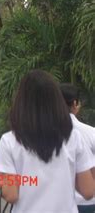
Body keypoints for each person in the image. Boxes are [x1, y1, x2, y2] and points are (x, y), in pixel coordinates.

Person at [0, 70, 94, 212]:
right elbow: (88, 191)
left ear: (21, 102)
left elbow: (11, 194)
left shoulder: (10, 141)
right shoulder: (73, 138)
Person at [60, 83, 95, 213]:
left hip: (61, 202)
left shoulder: (45, 135)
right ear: (75, 104)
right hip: (89, 202)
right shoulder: (90, 132)